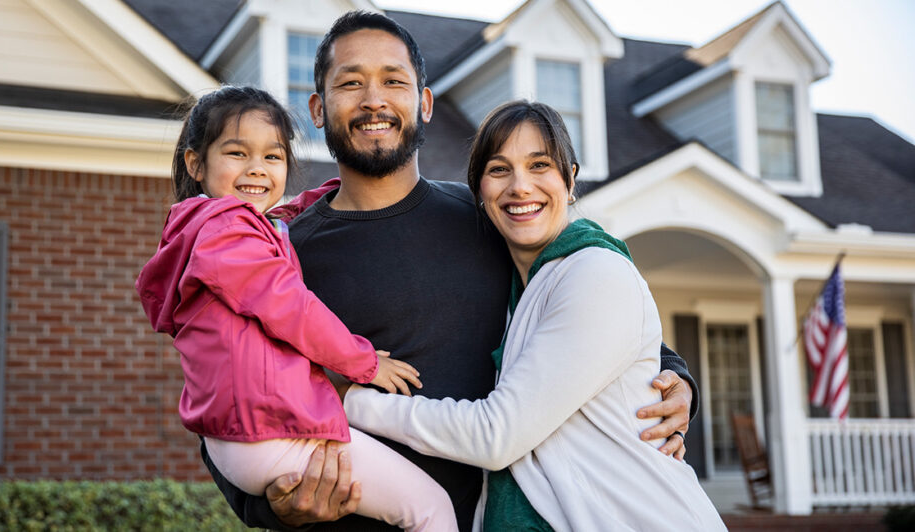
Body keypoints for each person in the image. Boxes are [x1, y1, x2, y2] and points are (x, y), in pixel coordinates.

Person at [203, 12, 700, 531]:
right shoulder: (279, 252)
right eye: (350, 83)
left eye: (393, 81)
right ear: (317, 109)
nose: (373, 99)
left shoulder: (489, 217)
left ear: (424, 102)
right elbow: (216, 389)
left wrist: (676, 377)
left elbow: (586, 313)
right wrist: (268, 507)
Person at [344, 101, 725, 531]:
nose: (520, 186)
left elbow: (497, 435)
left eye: (539, 165)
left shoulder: (596, 271)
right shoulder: (511, 284)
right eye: (499, 169)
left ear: (570, 179)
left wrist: (346, 401)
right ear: (479, 191)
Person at [135, 85, 459, 532]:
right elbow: (292, 308)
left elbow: (275, 223)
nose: (257, 167)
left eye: (272, 156)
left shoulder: (210, 229)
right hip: (271, 432)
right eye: (237, 153)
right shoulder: (227, 234)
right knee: (430, 509)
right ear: (196, 164)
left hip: (239, 437)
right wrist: (364, 362)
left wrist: (325, 197)